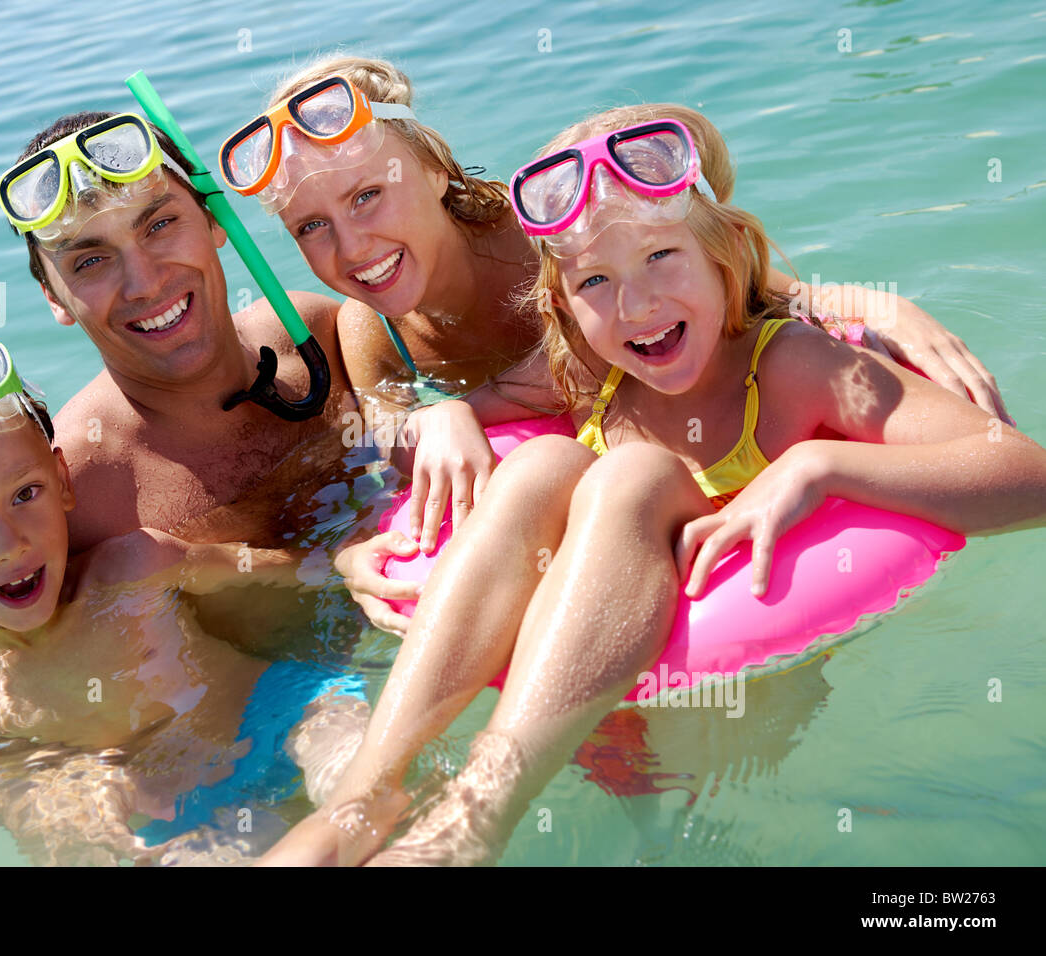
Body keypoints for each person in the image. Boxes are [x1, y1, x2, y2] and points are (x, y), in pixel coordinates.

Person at [258, 102, 1046, 865]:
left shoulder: (798, 368)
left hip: (733, 712)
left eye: (661, 257)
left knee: (631, 473)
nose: (634, 305)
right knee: (540, 464)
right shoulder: (584, 366)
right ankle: (362, 802)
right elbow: (449, 426)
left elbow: (1023, 472)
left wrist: (820, 463)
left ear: (727, 254)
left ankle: (473, 822)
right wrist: (442, 418)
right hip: (585, 684)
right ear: (561, 306)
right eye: (593, 281)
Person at [221, 55, 1014, 631]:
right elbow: (394, 437)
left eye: (368, 195)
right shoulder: (372, 329)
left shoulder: (538, 226)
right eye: (310, 228)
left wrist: (872, 305)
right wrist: (440, 417)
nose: (353, 246)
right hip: (588, 461)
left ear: (432, 168)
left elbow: (715, 278)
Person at [0, 109, 374, 691]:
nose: (145, 283)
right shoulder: (71, 488)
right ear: (53, 297)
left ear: (215, 222)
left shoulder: (321, 337)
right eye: (90, 260)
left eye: (158, 225)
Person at [0, 336, 367, 865]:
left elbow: (282, 571)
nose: (8, 545)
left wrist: (360, 560)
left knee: (364, 785)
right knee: (69, 819)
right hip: (179, 815)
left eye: (25, 494)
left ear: (64, 480)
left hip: (285, 711)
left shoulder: (136, 566)